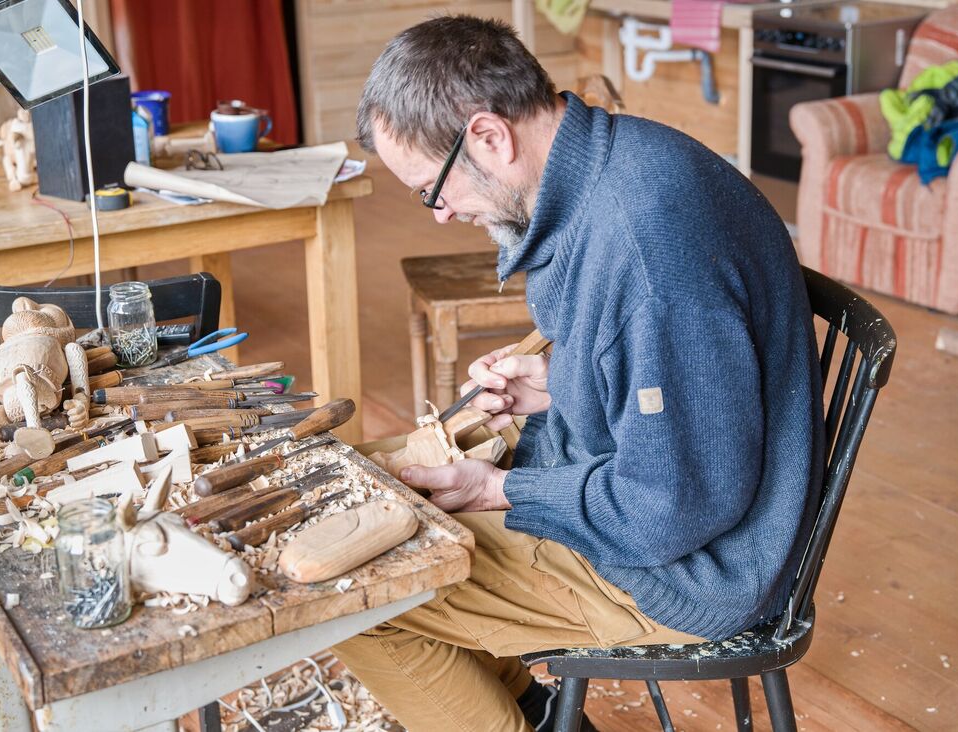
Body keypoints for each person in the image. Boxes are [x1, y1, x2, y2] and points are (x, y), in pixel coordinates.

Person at [333, 15, 824, 732]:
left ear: (489, 136)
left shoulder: (647, 247)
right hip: (659, 497)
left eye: (431, 190)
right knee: (365, 486)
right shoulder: (608, 159)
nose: (438, 214)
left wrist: (502, 490)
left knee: (355, 596)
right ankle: (532, 712)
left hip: (692, 565)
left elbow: (671, 509)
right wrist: (560, 385)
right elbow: (664, 379)